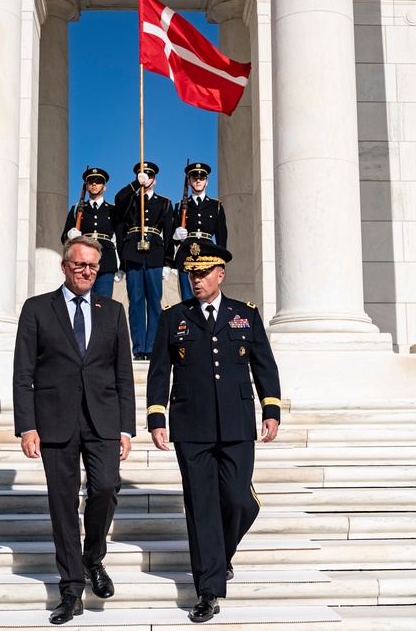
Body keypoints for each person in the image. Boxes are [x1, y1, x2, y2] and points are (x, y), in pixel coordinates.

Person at [145, 239, 281, 623]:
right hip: (191, 426)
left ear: (221, 273)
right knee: (202, 507)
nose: (196, 280)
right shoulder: (174, 317)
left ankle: (218, 557)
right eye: (191, 273)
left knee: (240, 501)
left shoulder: (245, 315)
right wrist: (157, 418)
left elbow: (264, 367)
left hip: (238, 424)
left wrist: (271, 409)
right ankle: (208, 589)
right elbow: (159, 373)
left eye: (203, 272)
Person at [13, 235, 136, 625]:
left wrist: (127, 428)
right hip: (54, 421)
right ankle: (71, 589)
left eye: (93, 267)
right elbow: (23, 373)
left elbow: (123, 374)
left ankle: (93, 557)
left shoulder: (113, 311)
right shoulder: (36, 309)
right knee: (62, 504)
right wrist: (27, 426)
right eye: (80, 265)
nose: (87, 272)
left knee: (105, 487)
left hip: (102, 419)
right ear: (64, 266)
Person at [111, 161, 174, 360]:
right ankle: (139, 348)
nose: (145, 179)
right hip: (133, 254)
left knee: (155, 302)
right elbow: (118, 200)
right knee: (135, 302)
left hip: (155, 254)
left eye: (148, 176)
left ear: (154, 179)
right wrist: (134, 184)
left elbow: (170, 233)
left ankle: (153, 346)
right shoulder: (130, 200)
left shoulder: (164, 202)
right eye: (142, 176)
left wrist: (167, 261)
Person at [169, 162, 227, 300]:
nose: (198, 181)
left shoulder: (216, 206)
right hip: (186, 255)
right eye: (194, 178)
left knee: (208, 297)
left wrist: (221, 261)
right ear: (189, 182)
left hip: (208, 256)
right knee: (188, 298)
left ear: (206, 182)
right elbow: (171, 237)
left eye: (201, 178)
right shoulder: (179, 206)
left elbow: (222, 236)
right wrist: (175, 236)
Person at [61, 167, 119, 298]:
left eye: (98, 182)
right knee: (82, 300)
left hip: (106, 260)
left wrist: (122, 266)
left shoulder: (112, 210)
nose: (94, 184)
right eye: (90, 182)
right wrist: (70, 234)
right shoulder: (77, 209)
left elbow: (120, 236)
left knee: (103, 303)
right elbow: (64, 236)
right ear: (86, 186)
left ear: (104, 187)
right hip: (82, 260)